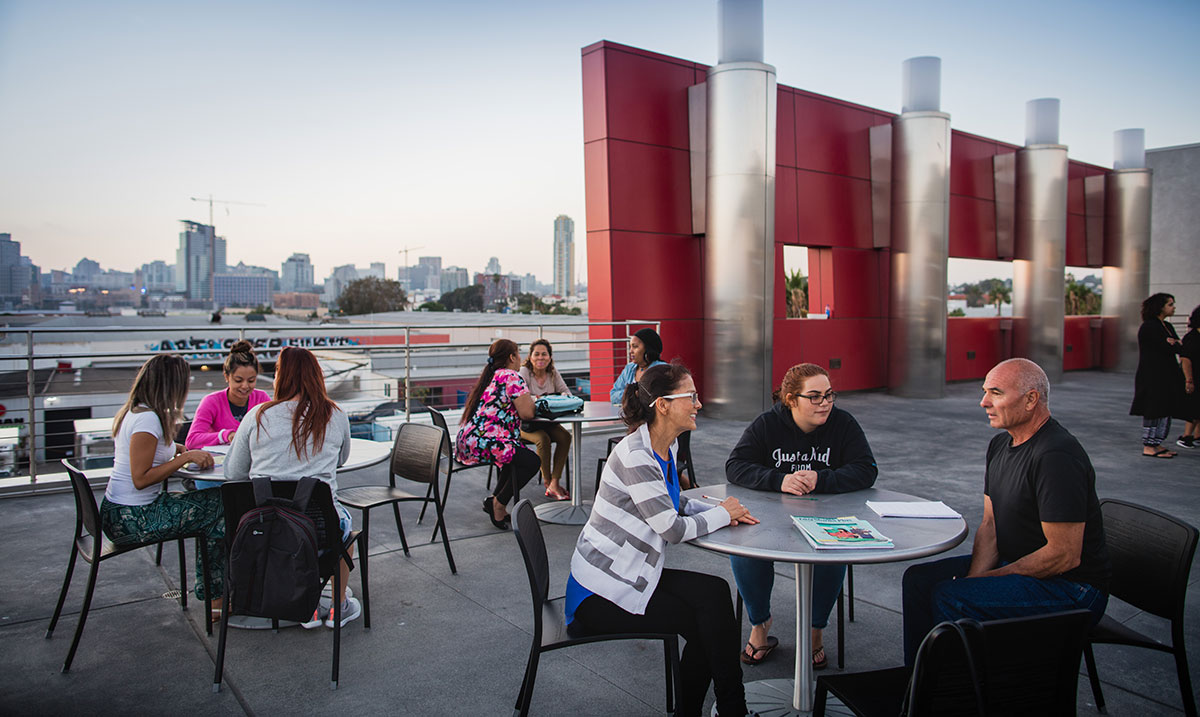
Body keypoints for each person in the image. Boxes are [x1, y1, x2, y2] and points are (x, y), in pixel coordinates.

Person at [566, 363, 759, 717]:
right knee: (707, 620)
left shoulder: (661, 447)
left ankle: (720, 709)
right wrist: (721, 514)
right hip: (600, 592)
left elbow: (672, 499)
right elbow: (671, 528)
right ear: (664, 405)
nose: (699, 404)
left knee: (715, 596)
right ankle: (731, 709)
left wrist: (721, 510)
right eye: (692, 397)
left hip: (628, 572)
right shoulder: (637, 455)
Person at [901, 358, 1110, 665]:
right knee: (919, 581)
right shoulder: (1000, 445)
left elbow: (1064, 555)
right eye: (985, 391)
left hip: (1071, 588)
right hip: (1021, 566)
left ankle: (953, 695)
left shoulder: (1056, 456)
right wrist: (977, 579)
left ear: (1031, 399)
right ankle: (919, 687)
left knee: (951, 597)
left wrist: (987, 580)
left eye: (995, 393)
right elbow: (990, 525)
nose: (983, 401)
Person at [725, 363, 877, 670]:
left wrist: (822, 479)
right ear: (791, 399)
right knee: (745, 550)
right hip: (771, 516)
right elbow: (736, 465)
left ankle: (814, 629)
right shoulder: (768, 424)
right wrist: (778, 479)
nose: (825, 403)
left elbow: (866, 469)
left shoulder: (843, 423)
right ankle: (760, 624)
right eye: (815, 397)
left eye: (830, 395)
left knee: (834, 549)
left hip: (827, 517)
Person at [223, 346, 359, 629]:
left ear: (280, 377)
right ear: (316, 376)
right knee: (347, 526)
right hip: (322, 531)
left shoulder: (257, 416)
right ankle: (338, 607)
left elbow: (234, 473)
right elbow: (341, 460)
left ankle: (302, 603)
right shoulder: (335, 415)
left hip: (266, 529)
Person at [100, 354, 223, 612]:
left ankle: (216, 594)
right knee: (221, 507)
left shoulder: (138, 411)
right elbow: (141, 478)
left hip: (121, 513)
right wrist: (185, 457)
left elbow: (147, 453)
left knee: (216, 504)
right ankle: (215, 598)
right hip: (133, 518)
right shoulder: (148, 421)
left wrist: (174, 449)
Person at [456, 339, 541, 529]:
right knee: (532, 462)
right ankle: (499, 504)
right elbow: (527, 413)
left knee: (515, 456)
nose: (520, 358)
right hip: (485, 442)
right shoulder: (512, 376)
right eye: (518, 354)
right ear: (512, 357)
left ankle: (494, 501)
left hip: (467, 441)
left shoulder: (492, 376)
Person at [185, 340, 271, 490]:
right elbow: (192, 440)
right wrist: (225, 436)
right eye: (238, 380)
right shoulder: (211, 401)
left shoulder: (262, 398)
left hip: (251, 472)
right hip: (215, 475)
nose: (245, 386)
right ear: (226, 376)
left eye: (251, 381)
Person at [1131, 292, 1185, 458]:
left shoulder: (1167, 326)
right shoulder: (1149, 327)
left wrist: (1173, 343)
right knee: (1153, 409)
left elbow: (1179, 346)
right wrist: (1172, 343)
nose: (1173, 307)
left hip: (1167, 375)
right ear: (1159, 307)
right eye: (1170, 304)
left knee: (1164, 409)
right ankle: (1149, 445)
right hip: (1152, 376)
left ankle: (1158, 443)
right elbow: (1167, 347)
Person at [518, 339, 573, 500]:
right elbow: (523, 399)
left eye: (544, 354)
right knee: (543, 439)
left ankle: (555, 482)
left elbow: (567, 394)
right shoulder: (524, 372)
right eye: (537, 354)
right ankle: (548, 482)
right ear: (530, 356)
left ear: (550, 357)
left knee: (565, 437)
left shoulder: (553, 373)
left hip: (547, 422)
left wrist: (560, 396)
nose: (540, 358)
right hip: (525, 425)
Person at [609, 327, 667, 404]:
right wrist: (633, 394)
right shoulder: (629, 368)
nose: (630, 351)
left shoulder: (662, 369)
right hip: (630, 414)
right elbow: (613, 395)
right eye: (630, 347)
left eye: (635, 346)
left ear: (648, 349)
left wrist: (628, 395)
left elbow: (654, 398)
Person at [1176, 304, 1200, 449]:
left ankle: (1197, 436)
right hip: (1194, 376)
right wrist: (1188, 380)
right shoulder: (1192, 338)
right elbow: (1185, 359)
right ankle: (1187, 436)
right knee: (1194, 408)